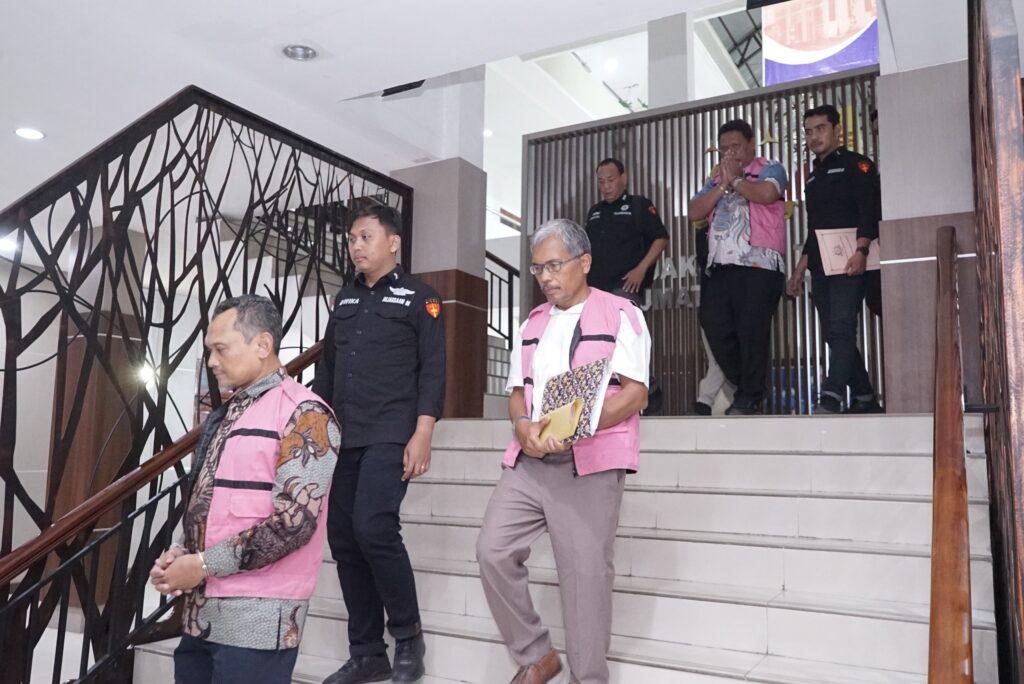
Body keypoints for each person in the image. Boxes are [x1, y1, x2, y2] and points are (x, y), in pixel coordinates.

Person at [476, 218, 650, 684]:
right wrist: (522, 426)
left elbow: (635, 394)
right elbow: (518, 393)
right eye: (538, 269)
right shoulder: (532, 322)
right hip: (531, 461)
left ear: (584, 261)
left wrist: (579, 425)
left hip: (588, 464)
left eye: (555, 265)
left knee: (585, 577)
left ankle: (587, 677)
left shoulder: (621, 314)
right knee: (493, 550)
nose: (546, 277)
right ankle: (537, 655)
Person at [150, 294, 340, 684]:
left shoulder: (307, 414)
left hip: (259, 619)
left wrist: (200, 565)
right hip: (201, 614)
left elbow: (291, 526)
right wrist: (181, 553)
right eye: (210, 350)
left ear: (263, 344)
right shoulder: (227, 413)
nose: (211, 361)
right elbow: (207, 498)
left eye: (220, 349)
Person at [313, 204, 445, 684]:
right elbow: (327, 370)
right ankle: (367, 652)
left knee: (373, 526)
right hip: (345, 434)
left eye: (365, 236)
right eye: (352, 238)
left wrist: (423, 432)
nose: (356, 246)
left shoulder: (421, 298)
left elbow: (433, 368)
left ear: (393, 242)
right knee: (344, 538)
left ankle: (408, 636)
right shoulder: (345, 300)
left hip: (391, 431)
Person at [688, 119, 788, 415]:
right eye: (724, 149)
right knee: (713, 324)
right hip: (720, 267)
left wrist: (736, 182)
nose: (730, 153)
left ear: (751, 144)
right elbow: (694, 211)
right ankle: (748, 386)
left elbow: (767, 194)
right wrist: (723, 183)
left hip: (759, 265)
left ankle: (749, 396)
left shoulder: (769, 168)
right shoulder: (716, 178)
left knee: (751, 332)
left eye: (736, 146)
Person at [787, 104, 882, 414]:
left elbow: (868, 210)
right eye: (809, 132)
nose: (814, 136)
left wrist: (862, 250)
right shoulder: (812, 177)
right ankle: (865, 396)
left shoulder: (857, 165)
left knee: (842, 326)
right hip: (820, 264)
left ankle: (832, 394)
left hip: (851, 259)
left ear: (837, 130)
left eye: (821, 129)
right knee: (831, 332)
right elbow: (814, 227)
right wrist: (800, 268)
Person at [583, 158, 669, 304]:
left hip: (624, 287)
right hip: (594, 289)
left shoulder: (638, 204)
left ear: (623, 178)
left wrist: (641, 269)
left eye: (610, 180)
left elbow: (661, 238)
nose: (606, 186)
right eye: (601, 182)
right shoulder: (595, 210)